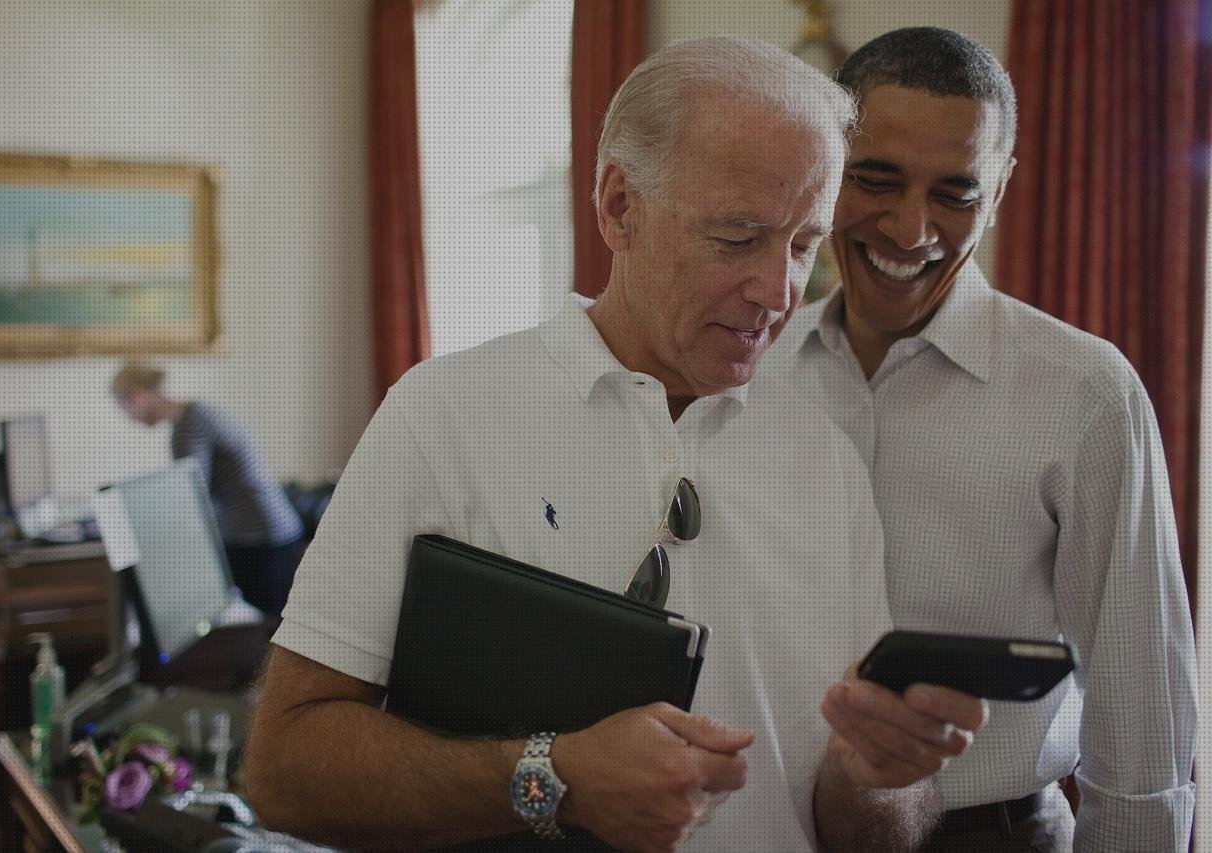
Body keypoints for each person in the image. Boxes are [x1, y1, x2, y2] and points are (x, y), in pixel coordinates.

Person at [245, 36, 986, 851]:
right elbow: (284, 770)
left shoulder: (828, 463)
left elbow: (868, 830)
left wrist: (881, 776)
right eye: (738, 237)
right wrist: (551, 778)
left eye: (805, 244)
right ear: (618, 205)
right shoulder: (443, 413)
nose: (778, 292)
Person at [767, 27, 1197, 851]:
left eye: (955, 194)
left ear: (998, 191)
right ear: (824, 168)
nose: (909, 227)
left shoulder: (1085, 393)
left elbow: (1142, 713)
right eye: (876, 180)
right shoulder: (753, 372)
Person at [112, 361, 305, 617]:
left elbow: (189, 496)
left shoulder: (190, 425)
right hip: (264, 532)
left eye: (124, 408)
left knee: (268, 625)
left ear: (138, 396)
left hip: (260, 538)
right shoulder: (195, 415)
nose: (129, 418)